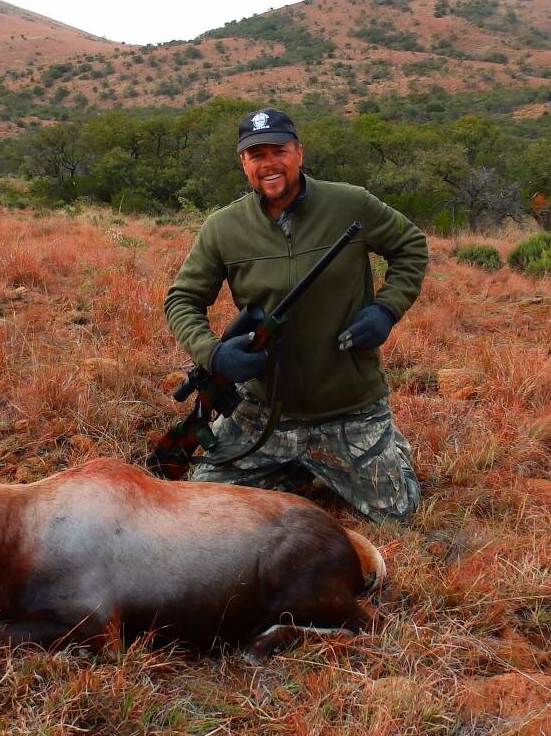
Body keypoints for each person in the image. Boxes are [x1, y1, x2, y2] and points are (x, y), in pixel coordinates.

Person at [163, 107, 428, 522]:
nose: (269, 164)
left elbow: (410, 245)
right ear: (243, 164)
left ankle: (385, 444)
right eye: (256, 155)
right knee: (203, 505)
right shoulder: (222, 227)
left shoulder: (351, 204)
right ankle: (298, 464)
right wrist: (213, 354)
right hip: (265, 410)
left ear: (299, 153)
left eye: (279, 151)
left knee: (399, 514)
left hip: (349, 405)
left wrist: (386, 308)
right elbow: (182, 299)